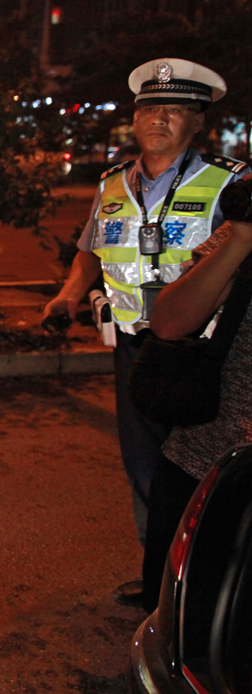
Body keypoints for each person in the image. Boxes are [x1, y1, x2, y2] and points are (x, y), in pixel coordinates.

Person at [42, 59, 246, 608]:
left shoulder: (230, 182)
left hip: (204, 351)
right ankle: (159, 577)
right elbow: (91, 251)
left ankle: (199, 587)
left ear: (198, 122)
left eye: (176, 109)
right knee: (144, 466)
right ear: (135, 117)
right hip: (135, 346)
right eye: (151, 108)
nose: (160, 118)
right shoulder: (113, 184)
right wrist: (66, 294)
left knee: (198, 467)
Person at [141, 215, 252, 612]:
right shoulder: (236, 233)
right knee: (173, 612)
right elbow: (169, 322)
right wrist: (239, 242)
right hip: (202, 457)